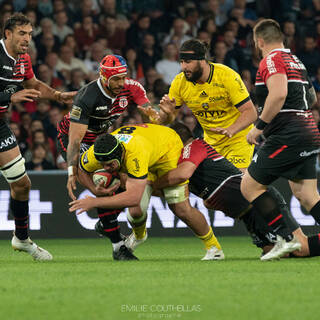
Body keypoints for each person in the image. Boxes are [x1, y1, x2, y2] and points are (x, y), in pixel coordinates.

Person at [154, 122, 320, 260]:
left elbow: (182, 174)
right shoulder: (181, 161)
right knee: (273, 251)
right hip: (247, 215)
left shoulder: (194, 146)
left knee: (301, 249)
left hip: (261, 204)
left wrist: (149, 185)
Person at [69, 124, 224, 261]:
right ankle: (139, 235)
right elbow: (81, 169)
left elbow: (133, 198)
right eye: (102, 164)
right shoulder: (98, 152)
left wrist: (94, 201)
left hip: (167, 150)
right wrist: (94, 189)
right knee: (136, 212)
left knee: (180, 207)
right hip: (147, 147)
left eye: (109, 165)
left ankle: (214, 248)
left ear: (120, 155)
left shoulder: (135, 154)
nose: (106, 168)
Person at [57, 54, 158, 260]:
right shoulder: (87, 97)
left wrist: (157, 114)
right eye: (116, 79)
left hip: (102, 139)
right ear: (104, 77)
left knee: (124, 181)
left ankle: (105, 223)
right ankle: (118, 247)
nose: (122, 83)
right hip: (78, 139)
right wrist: (71, 172)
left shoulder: (131, 87)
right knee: (101, 182)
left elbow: (148, 109)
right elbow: (75, 141)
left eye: (123, 77)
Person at [240, 19, 320, 260]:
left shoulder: (271, 60)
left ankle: (286, 237)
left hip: (289, 134)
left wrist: (259, 127)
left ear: (259, 41)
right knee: (306, 194)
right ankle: (296, 242)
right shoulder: (296, 61)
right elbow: (312, 98)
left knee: (249, 185)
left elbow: (279, 94)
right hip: (309, 130)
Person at [0, 13, 75, 260]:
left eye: (30, 34)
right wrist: (8, 97)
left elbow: (32, 83)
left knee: (22, 185)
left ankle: (21, 239)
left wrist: (57, 95)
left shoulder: (22, 59)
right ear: (7, 33)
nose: (27, 39)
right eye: (22, 33)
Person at [141, 39, 257, 172]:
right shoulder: (180, 83)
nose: (184, 67)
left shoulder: (227, 76)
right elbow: (169, 120)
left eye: (188, 62)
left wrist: (231, 129)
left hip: (238, 139)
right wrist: (166, 114)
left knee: (237, 182)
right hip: (211, 143)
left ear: (202, 61)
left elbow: (251, 113)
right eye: (182, 61)